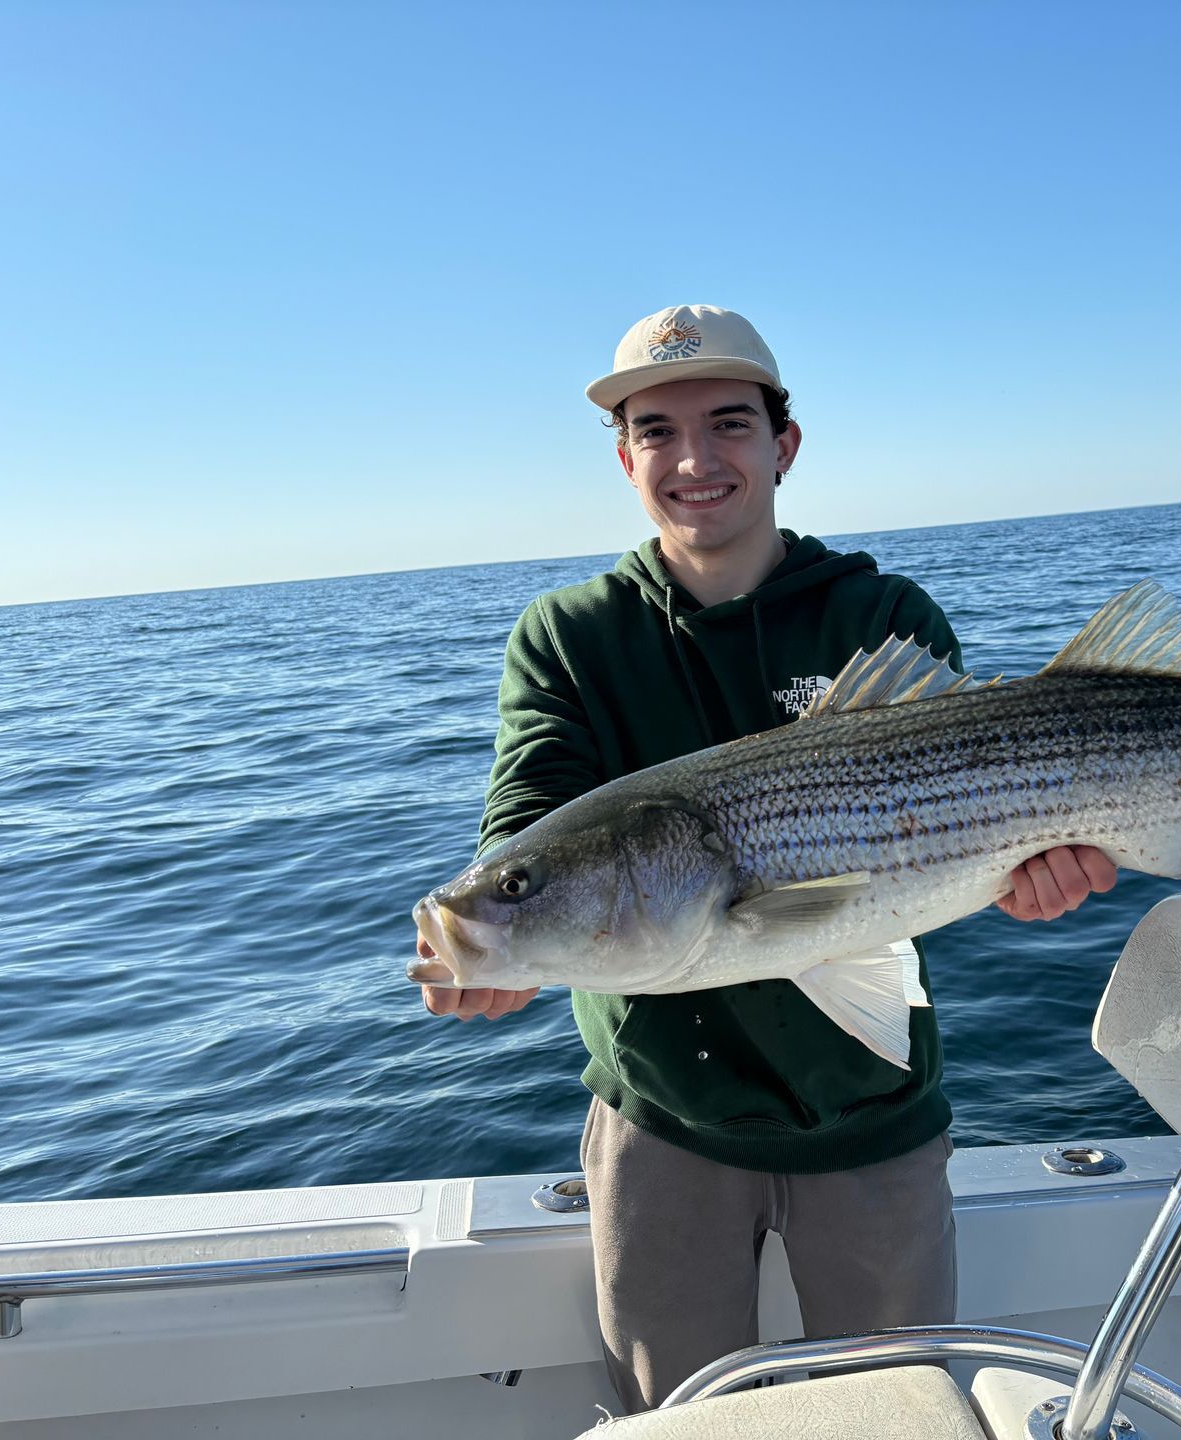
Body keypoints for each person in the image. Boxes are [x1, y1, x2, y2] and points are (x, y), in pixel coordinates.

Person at [416, 304, 1116, 1412]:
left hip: (875, 1117)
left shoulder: (878, 614)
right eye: (657, 430)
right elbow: (532, 817)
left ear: (783, 445)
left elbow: (983, 817)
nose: (694, 459)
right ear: (623, 455)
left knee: (905, 1419)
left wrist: (1031, 875)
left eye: (729, 424)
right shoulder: (567, 636)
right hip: (662, 1131)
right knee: (678, 1426)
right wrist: (511, 925)